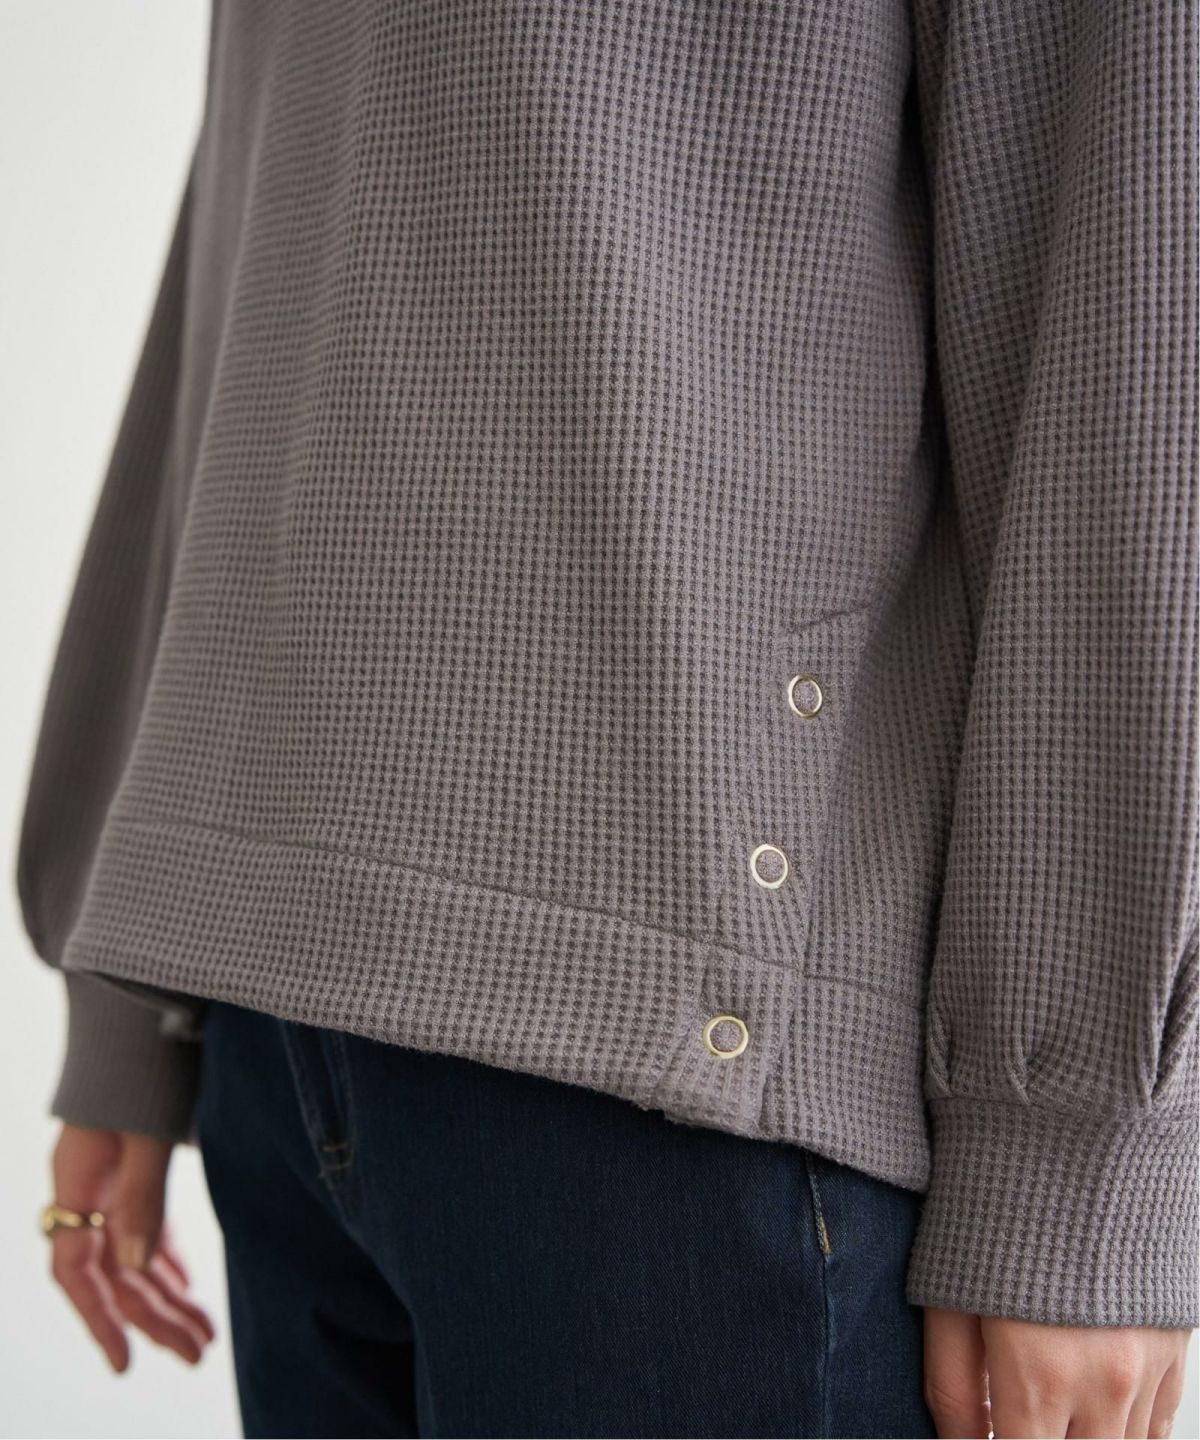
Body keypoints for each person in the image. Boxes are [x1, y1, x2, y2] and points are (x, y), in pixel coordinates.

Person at [17, 1, 1197, 1436]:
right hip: (276, 1003)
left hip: (673, 1087)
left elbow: (1131, 315)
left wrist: (1078, 1151)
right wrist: (128, 996)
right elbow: (262, 222)